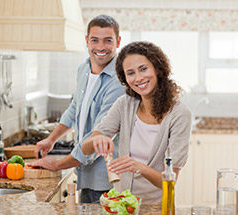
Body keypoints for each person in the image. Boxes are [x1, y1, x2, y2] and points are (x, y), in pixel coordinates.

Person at [27, 15, 124, 203]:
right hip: (85, 172)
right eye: (95, 40)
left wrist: (56, 165)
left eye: (108, 41)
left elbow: (99, 139)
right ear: (86, 41)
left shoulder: (118, 81)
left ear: (118, 42)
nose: (101, 47)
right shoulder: (84, 69)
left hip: (106, 179)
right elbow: (75, 108)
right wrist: (51, 139)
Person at [81, 41, 192, 204]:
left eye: (143, 69)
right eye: (130, 73)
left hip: (155, 207)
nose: (138, 78)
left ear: (157, 68)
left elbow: (170, 180)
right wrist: (96, 139)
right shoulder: (124, 104)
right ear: (125, 79)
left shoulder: (179, 114)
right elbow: (85, 148)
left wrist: (139, 167)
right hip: (121, 203)